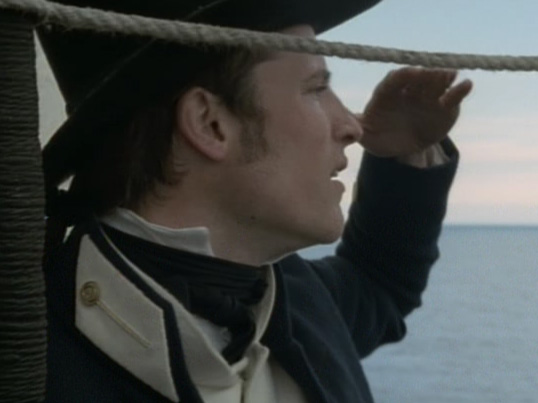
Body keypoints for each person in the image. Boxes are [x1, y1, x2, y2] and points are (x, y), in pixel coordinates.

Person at [39, 0, 472, 402]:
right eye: (316, 88)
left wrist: (407, 154)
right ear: (210, 124)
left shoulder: (292, 293)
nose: (353, 126)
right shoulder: (31, 356)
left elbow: (380, 285)